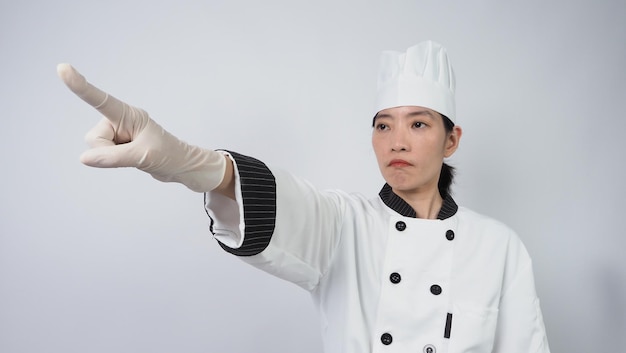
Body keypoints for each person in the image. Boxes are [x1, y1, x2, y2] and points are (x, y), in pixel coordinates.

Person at [58, 40, 551, 353]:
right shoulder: (345, 224)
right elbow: (283, 203)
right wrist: (190, 162)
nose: (397, 141)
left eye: (418, 124)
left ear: (451, 140)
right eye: (383, 126)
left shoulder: (499, 247)